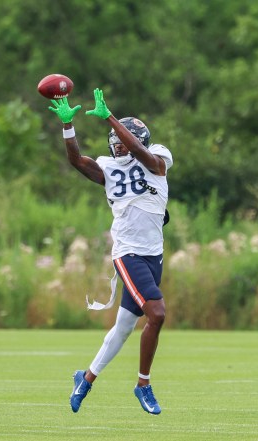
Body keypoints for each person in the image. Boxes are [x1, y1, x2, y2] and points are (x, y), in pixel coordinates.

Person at [48, 88, 173, 415]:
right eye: (114, 138)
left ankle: (85, 378)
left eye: (124, 138)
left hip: (153, 254)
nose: (117, 143)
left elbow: (148, 160)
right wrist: (68, 126)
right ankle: (143, 384)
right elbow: (77, 161)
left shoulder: (158, 154)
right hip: (128, 253)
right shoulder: (110, 169)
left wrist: (112, 119)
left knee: (122, 328)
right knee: (157, 314)